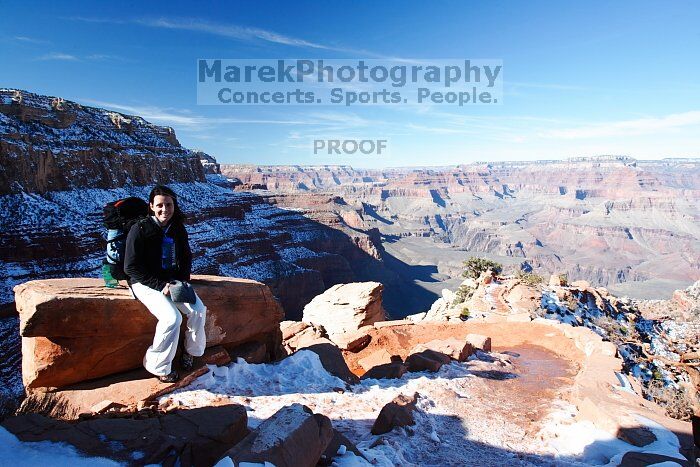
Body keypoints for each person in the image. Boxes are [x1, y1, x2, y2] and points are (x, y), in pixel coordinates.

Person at [124, 185, 206, 383]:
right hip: (143, 283)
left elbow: (186, 256)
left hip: (171, 281)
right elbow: (130, 267)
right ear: (151, 206)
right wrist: (160, 285)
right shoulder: (140, 229)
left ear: (174, 206)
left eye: (168, 205)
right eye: (160, 205)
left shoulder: (177, 228)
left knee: (199, 310)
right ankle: (158, 366)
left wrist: (182, 282)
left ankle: (191, 352)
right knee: (172, 318)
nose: (164, 209)